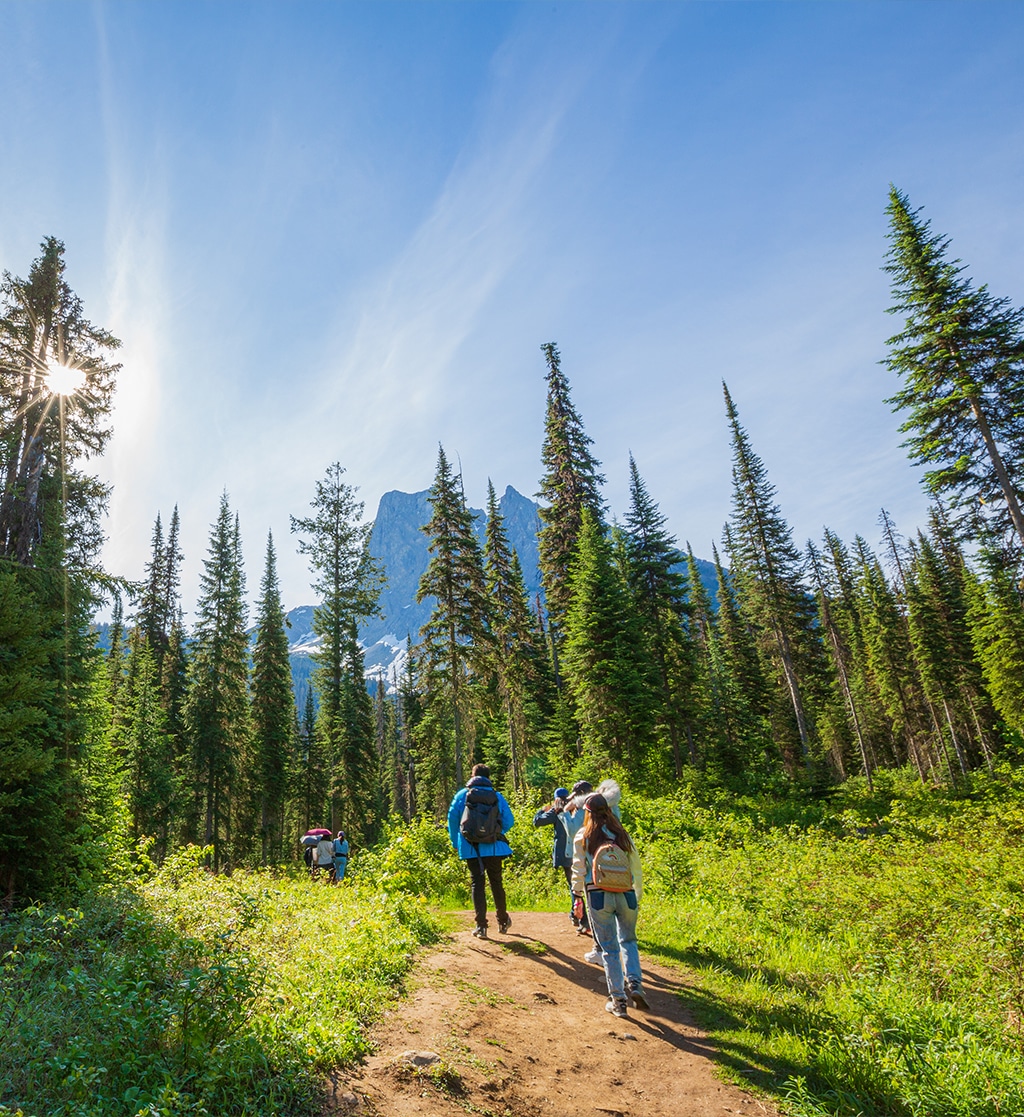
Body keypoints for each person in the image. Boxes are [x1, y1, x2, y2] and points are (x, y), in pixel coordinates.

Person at [571, 792, 648, 1019]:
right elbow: (636, 867)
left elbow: (578, 868)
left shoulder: (584, 835)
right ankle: (635, 984)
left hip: (598, 894)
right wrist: (637, 894)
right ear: (608, 810)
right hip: (626, 894)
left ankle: (618, 1000)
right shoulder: (621, 834)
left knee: (609, 948)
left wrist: (577, 895)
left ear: (588, 813)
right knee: (629, 940)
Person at [448, 763, 515, 939]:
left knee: (477, 883)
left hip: (471, 847)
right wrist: (495, 833)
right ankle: (502, 920)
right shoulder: (497, 796)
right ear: (488, 777)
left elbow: (452, 819)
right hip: (494, 847)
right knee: (496, 882)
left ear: (472, 776)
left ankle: (481, 926)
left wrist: (456, 841)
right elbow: (509, 820)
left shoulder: (462, 796)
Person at [533, 788, 576, 924]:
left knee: (572, 884)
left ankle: (577, 915)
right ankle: (576, 914)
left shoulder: (556, 810)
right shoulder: (576, 807)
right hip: (579, 850)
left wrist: (542, 810)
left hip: (565, 852)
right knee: (580, 884)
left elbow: (537, 822)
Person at [560, 781, 594, 939]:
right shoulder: (600, 806)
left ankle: (585, 922)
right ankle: (586, 922)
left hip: (581, 854)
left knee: (579, 889)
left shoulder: (581, 809)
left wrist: (565, 812)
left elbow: (573, 832)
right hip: (596, 854)